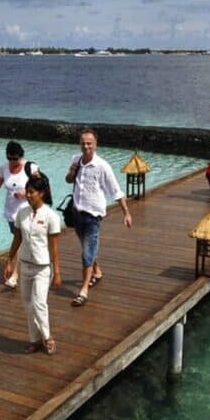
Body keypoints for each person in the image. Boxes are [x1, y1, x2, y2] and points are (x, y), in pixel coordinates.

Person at [64, 129, 132, 307]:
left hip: (93, 216)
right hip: (77, 213)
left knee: (87, 253)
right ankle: (97, 271)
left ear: (95, 145)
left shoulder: (102, 166)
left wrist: (126, 212)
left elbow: (115, 190)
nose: (86, 146)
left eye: (89, 143)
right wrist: (72, 172)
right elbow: (68, 180)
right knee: (87, 247)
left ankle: (83, 291)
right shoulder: (76, 159)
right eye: (83, 143)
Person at [4, 175, 62, 355]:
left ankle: (48, 337)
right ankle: (34, 339)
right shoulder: (22, 213)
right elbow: (17, 238)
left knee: (39, 304)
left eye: (31, 192)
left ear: (41, 193)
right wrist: (9, 261)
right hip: (25, 265)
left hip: (42, 267)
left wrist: (57, 273)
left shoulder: (51, 216)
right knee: (28, 305)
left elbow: (54, 248)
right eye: (27, 192)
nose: (28, 195)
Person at [0, 140, 39, 289]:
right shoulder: (3, 169)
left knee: (21, 240)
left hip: (27, 211)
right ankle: (25, 267)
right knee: (20, 241)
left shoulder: (31, 168)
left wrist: (26, 192)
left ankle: (15, 274)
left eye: (15, 158)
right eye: (9, 158)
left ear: (21, 156)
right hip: (11, 212)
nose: (12, 161)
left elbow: (41, 187)